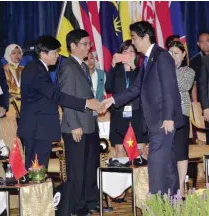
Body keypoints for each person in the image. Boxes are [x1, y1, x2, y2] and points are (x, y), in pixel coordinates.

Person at [102, 21, 183, 195]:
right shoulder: (147, 59)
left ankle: (157, 203)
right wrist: (112, 100)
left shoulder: (162, 56)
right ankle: (173, 202)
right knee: (166, 163)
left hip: (163, 120)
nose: (133, 42)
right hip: (155, 121)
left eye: (134, 38)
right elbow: (135, 88)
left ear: (146, 37)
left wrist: (168, 117)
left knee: (155, 163)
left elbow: (169, 88)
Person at [17, 35, 101, 172]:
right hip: (37, 129)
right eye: (54, 52)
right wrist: (86, 103)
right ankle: (36, 195)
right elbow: (56, 95)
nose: (58, 55)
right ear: (43, 53)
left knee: (36, 172)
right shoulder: (36, 70)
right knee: (35, 173)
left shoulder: (37, 68)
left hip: (39, 128)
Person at [58, 30, 100, 216]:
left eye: (89, 43)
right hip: (76, 127)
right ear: (72, 46)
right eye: (84, 43)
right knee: (77, 170)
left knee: (90, 167)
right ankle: (76, 207)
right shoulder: (68, 67)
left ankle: (90, 202)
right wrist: (74, 124)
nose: (88, 47)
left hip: (89, 125)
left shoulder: (82, 66)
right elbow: (66, 99)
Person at [105, 39, 148, 159]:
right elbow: (108, 87)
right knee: (119, 149)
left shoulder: (140, 70)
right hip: (119, 113)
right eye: (125, 51)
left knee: (140, 148)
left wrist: (133, 67)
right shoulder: (116, 70)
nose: (128, 54)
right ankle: (122, 176)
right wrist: (112, 65)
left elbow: (141, 88)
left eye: (131, 51)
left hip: (137, 113)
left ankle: (141, 177)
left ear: (136, 54)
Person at [168, 41, 195, 197]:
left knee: (180, 152)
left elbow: (184, 85)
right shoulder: (163, 70)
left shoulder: (188, 71)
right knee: (167, 153)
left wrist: (170, 68)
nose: (172, 56)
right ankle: (169, 188)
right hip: (164, 116)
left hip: (181, 115)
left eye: (176, 53)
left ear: (183, 55)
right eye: (169, 53)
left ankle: (181, 190)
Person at [190, 32, 209, 102]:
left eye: (207, 41)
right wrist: (195, 102)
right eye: (202, 41)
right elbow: (193, 83)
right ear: (198, 44)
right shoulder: (194, 61)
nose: (205, 43)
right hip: (202, 100)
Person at [3, 44, 24, 117]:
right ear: (8, 55)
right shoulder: (3, 70)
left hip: (25, 101)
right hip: (9, 102)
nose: (17, 55)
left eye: (19, 53)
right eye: (14, 53)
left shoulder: (24, 69)